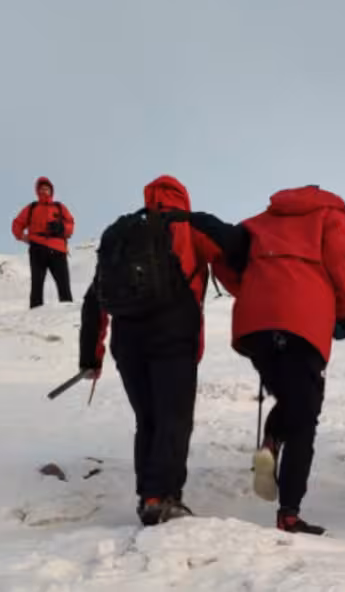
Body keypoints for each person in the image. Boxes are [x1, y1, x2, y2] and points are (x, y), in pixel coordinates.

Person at [79, 175, 237, 526]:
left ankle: (148, 497)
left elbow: (94, 298)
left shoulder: (126, 234)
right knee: (174, 419)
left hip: (127, 341)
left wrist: (91, 356)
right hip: (173, 335)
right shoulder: (189, 226)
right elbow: (234, 251)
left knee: (148, 420)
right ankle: (162, 498)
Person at [212, 185, 345, 535]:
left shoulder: (256, 223)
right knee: (305, 416)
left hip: (256, 325)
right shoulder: (330, 217)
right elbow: (342, 265)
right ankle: (289, 513)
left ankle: (271, 442)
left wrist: (251, 290)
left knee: (294, 398)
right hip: (303, 321)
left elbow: (222, 258)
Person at [11, 177, 74, 308]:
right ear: (37, 191)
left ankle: (68, 312)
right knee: (37, 285)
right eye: (42, 189)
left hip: (58, 250)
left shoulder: (60, 207)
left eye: (47, 189)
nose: (44, 191)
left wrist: (61, 227)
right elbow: (17, 223)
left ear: (51, 191)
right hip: (37, 249)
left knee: (64, 285)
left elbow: (71, 225)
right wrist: (22, 236)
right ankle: (35, 313)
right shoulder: (32, 208)